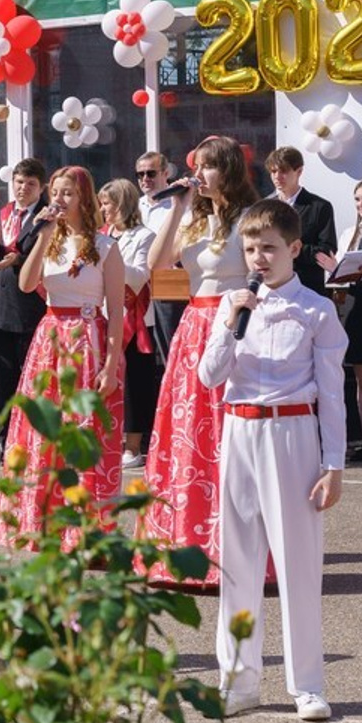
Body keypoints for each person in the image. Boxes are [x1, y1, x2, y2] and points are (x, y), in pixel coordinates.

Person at [199, 199, 346, 721]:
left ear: (295, 249)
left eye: (269, 248)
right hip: (240, 431)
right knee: (237, 564)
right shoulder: (232, 305)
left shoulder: (317, 310)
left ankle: (307, 684)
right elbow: (209, 376)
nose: (259, 258)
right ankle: (239, 682)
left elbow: (331, 393)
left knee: (298, 564)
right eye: (251, 248)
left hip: (293, 432)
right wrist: (228, 319)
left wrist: (334, 466)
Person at [142, 136, 256, 589]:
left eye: (209, 167)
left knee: (229, 431)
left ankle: (235, 545)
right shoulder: (192, 218)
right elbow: (157, 262)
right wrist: (177, 207)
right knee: (190, 434)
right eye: (198, 167)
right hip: (193, 325)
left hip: (232, 321)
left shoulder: (249, 217)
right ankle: (190, 540)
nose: (201, 175)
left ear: (227, 169)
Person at [0, 167, 124, 549]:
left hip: (88, 339)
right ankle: (43, 523)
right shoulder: (49, 239)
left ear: (84, 198)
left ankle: (84, 530)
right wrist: (44, 235)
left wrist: (112, 363)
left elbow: (116, 311)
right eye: (57, 192)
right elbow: (26, 283)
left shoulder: (105, 246)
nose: (60, 200)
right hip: (50, 339)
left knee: (82, 434)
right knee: (42, 433)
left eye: (68, 193)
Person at [316, 177, 362, 463]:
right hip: (360, 305)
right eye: (357, 199)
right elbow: (341, 275)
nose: (361, 205)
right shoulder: (349, 234)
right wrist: (335, 269)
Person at [0, 159, 49, 457]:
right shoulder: (3, 214)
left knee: (33, 379)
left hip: (30, 307)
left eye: (30, 184)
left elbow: (42, 257)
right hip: (0, 307)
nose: (23, 188)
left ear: (41, 187)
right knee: (4, 380)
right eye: (19, 182)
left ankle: (33, 436)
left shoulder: (46, 217)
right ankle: (4, 437)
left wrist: (18, 260)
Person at [99, 179, 157, 470]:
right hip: (104, 317)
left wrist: (109, 259)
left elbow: (138, 276)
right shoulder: (101, 235)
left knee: (133, 383)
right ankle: (107, 439)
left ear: (121, 203)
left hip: (135, 319)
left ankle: (132, 446)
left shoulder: (145, 235)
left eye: (107, 203)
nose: (102, 209)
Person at [136, 152, 186, 363]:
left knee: (169, 343)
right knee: (143, 347)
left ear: (166, 173)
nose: (145, 179)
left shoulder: (179, 204)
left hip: (169, 280)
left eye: (150, 173)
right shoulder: (135, 206)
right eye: (140, 174)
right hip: (138, 282)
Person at [267, 147, 337, 296]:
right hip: (273, 288)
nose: (277, 177)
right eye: (273, 172)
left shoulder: (319, 207)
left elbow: (327, 250)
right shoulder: (265, 208)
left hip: (308, 287)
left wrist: (289, 248)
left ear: (299, 171)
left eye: (283, 171)